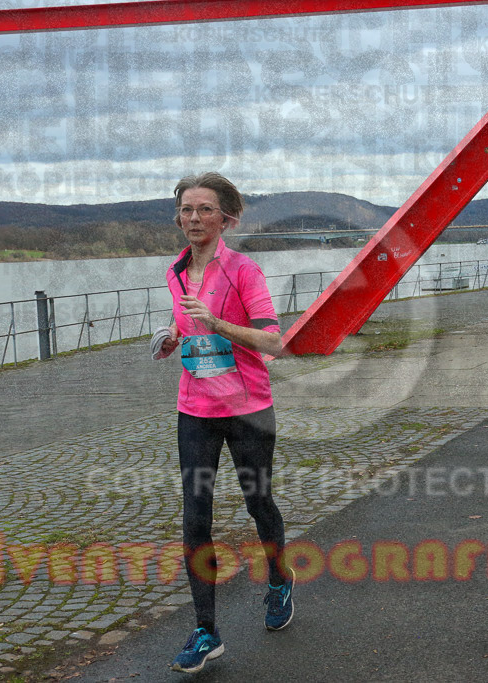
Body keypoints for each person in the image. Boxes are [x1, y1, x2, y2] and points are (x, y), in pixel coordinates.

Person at [154, 172, 294, 673]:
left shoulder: (244, 272)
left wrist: (217, 324)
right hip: (195, 410)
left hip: (248, 409)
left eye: (204, 210)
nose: (193, 219)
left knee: (259, 502)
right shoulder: (174, 271)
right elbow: (184, 323)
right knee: (195, 517)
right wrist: (173, 337)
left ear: (226, 219)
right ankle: (205, 630)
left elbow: (274, 341)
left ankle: (279, 580)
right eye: (186, 210)